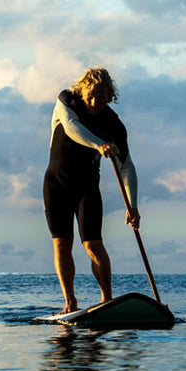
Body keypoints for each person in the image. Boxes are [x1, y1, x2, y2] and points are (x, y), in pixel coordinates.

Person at [43, 67, 139, 313]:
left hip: (87, 188)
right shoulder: (67, 100)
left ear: (110, 96)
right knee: (62, 244)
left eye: (103, 97)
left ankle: (107, 301)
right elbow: (71, 127)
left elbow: (126, 166)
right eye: (92, 96)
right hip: (56, 185)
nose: (96, 102)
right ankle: (70, 302)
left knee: (93, 245)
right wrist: (99, 144)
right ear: (82, 92)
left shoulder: (113, 124)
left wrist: (132, 205)